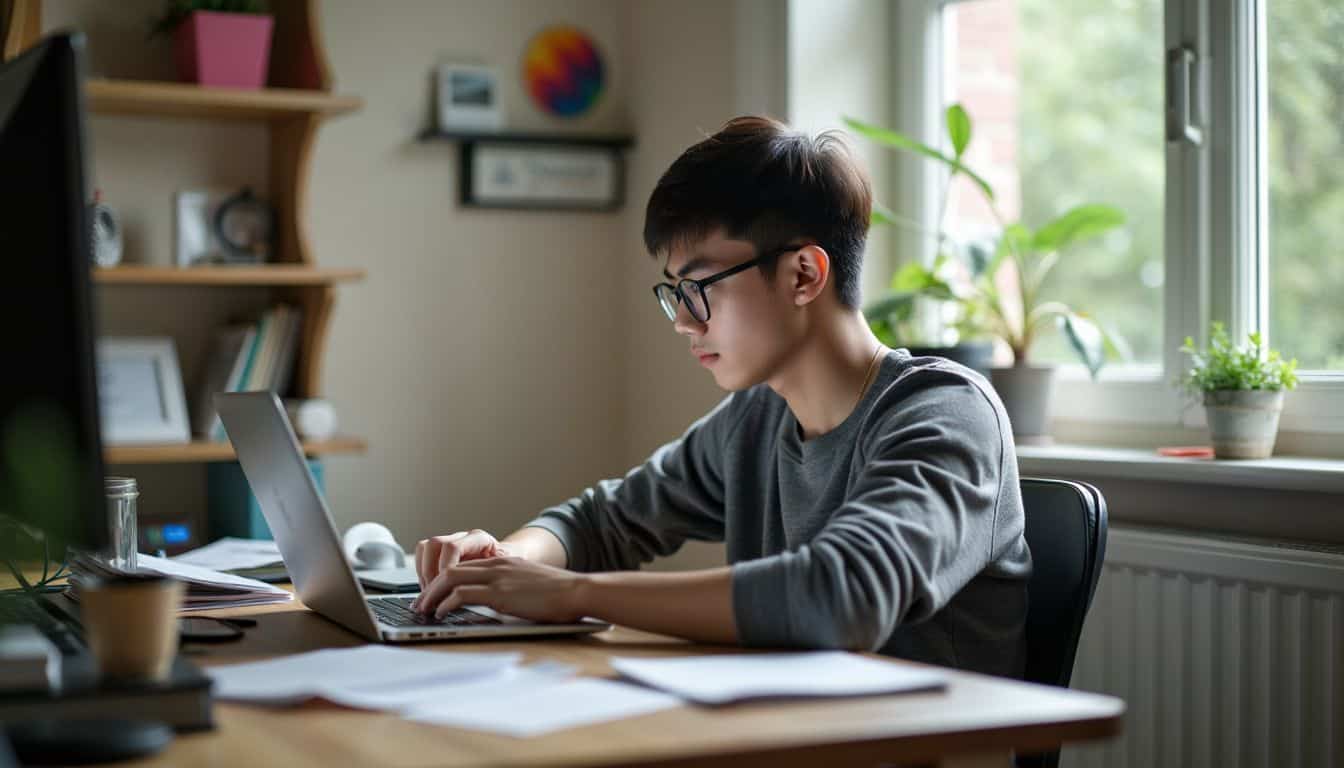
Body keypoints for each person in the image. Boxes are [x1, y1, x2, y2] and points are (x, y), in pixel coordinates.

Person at [412, 116, 1032, 678]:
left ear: (803, 275)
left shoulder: (947, 412)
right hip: (783, 736)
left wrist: (572, 594)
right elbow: (605, 520)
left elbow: (841, 597)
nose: (684, 321)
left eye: (699, 287)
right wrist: (501, 563)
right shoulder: (760, 417)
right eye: (674, 293)